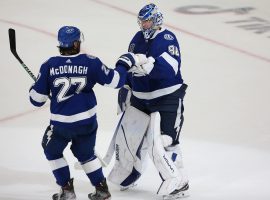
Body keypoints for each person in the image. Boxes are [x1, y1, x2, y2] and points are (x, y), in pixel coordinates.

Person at [29, 26, 148, 200]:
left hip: (61, 125)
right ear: (76, 43)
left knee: (52, 151)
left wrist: (35, 88)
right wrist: (124, 63)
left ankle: (67, 190)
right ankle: (101, 189)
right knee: (86, 154)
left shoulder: (49, 65)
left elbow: (36, 100)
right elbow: (116, 81)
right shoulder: (90, 62)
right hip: (86, 123)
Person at [106, 3, 189, 199]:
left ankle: (180, 181)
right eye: (142, 21)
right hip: (140, 99)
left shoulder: (167, 38)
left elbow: (171, 69)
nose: (144, 25)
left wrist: (147, 65)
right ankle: (130, 174)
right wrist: (126, 87)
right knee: (132, 139)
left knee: (165, 142)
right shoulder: (136, 39)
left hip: (167, 98)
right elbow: (131, 68)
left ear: (157, 20)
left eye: (147, 21)